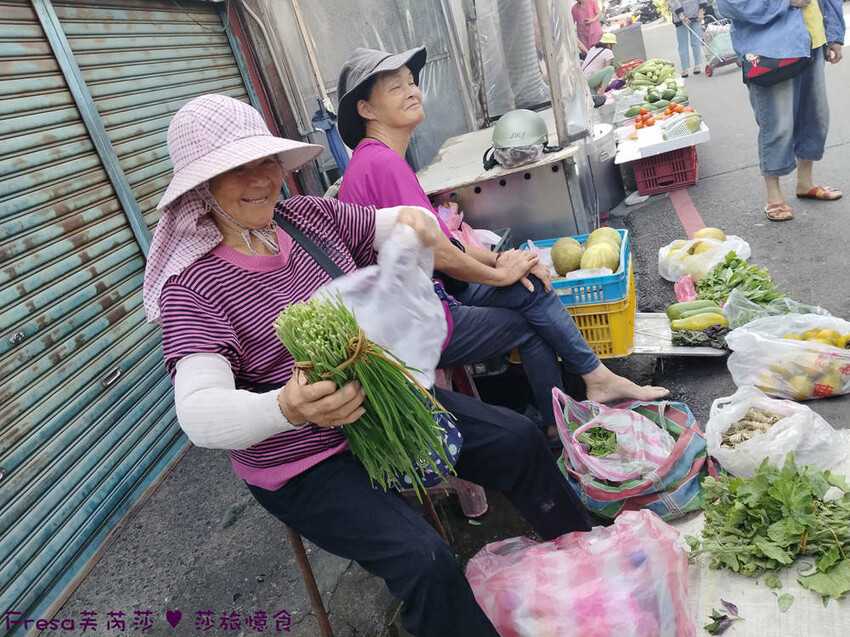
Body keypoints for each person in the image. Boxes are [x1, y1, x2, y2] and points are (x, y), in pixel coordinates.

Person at [144, 93, 593, 637]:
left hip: (382, 407)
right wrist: (288, 405)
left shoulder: (306, 216)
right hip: (302, 460)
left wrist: (441, 243)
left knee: (518, 438)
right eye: (235, 170)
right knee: (425, 561)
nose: (260, 180)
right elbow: (199, 411)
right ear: (200, 189)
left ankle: (589, 563)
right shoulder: (191, 287)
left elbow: (399, 226)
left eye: (263, 161)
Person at [335, 46, 669, 444]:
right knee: (528, 314)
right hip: (412, 324)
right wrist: (500, 274)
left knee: (527, 282)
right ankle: (568, 411)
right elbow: (440, 254)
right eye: (395, 87)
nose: (412, 91)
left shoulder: (377, 160)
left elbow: (443, 241)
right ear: (366, 110)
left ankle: (586, 391)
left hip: (422, 299)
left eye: (411, 82)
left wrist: (502, 261)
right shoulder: (381, 163)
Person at [717, 0, 844, 222]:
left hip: (811, 37)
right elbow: (730, 4)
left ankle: (805, 182)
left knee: (815, 116)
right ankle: (773, 195)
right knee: (777, 121)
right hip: (770, 47)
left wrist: (834, 33)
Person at [671, 0, 709, 76]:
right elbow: (675, 1)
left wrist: (701, 12)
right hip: (681, 18)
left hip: (696, 15)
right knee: (683, 44)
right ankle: (685, 68)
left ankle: (697, 65)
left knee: (696, 41)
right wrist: (682, 16)